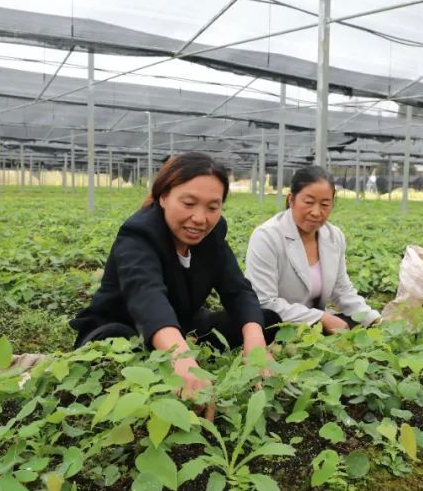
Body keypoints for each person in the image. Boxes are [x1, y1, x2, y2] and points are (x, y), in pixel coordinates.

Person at [70, 153, 278, 400]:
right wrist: (182, 360)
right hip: (124, 327)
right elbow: (147, 297)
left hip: (182, 327)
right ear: (164, 197)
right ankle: (174, 357)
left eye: (212, 207)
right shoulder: (139, 234)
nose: (200, 219)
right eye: (189, 204)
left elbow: (238, 291)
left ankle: (180, 348)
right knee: (118, 346)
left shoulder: (212, 235)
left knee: (264, 320)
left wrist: (255, 343)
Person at [245, 165, 379, 332]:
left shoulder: (334, 236)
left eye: (324, 204)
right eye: (308, 202)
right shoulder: (267, 236)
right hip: (279, 324)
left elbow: (342, 290)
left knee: (360, 328)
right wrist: (320, 318)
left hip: (316, 324)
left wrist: (373, 319)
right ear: (291, 200)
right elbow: (263, 301)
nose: (316, 212)